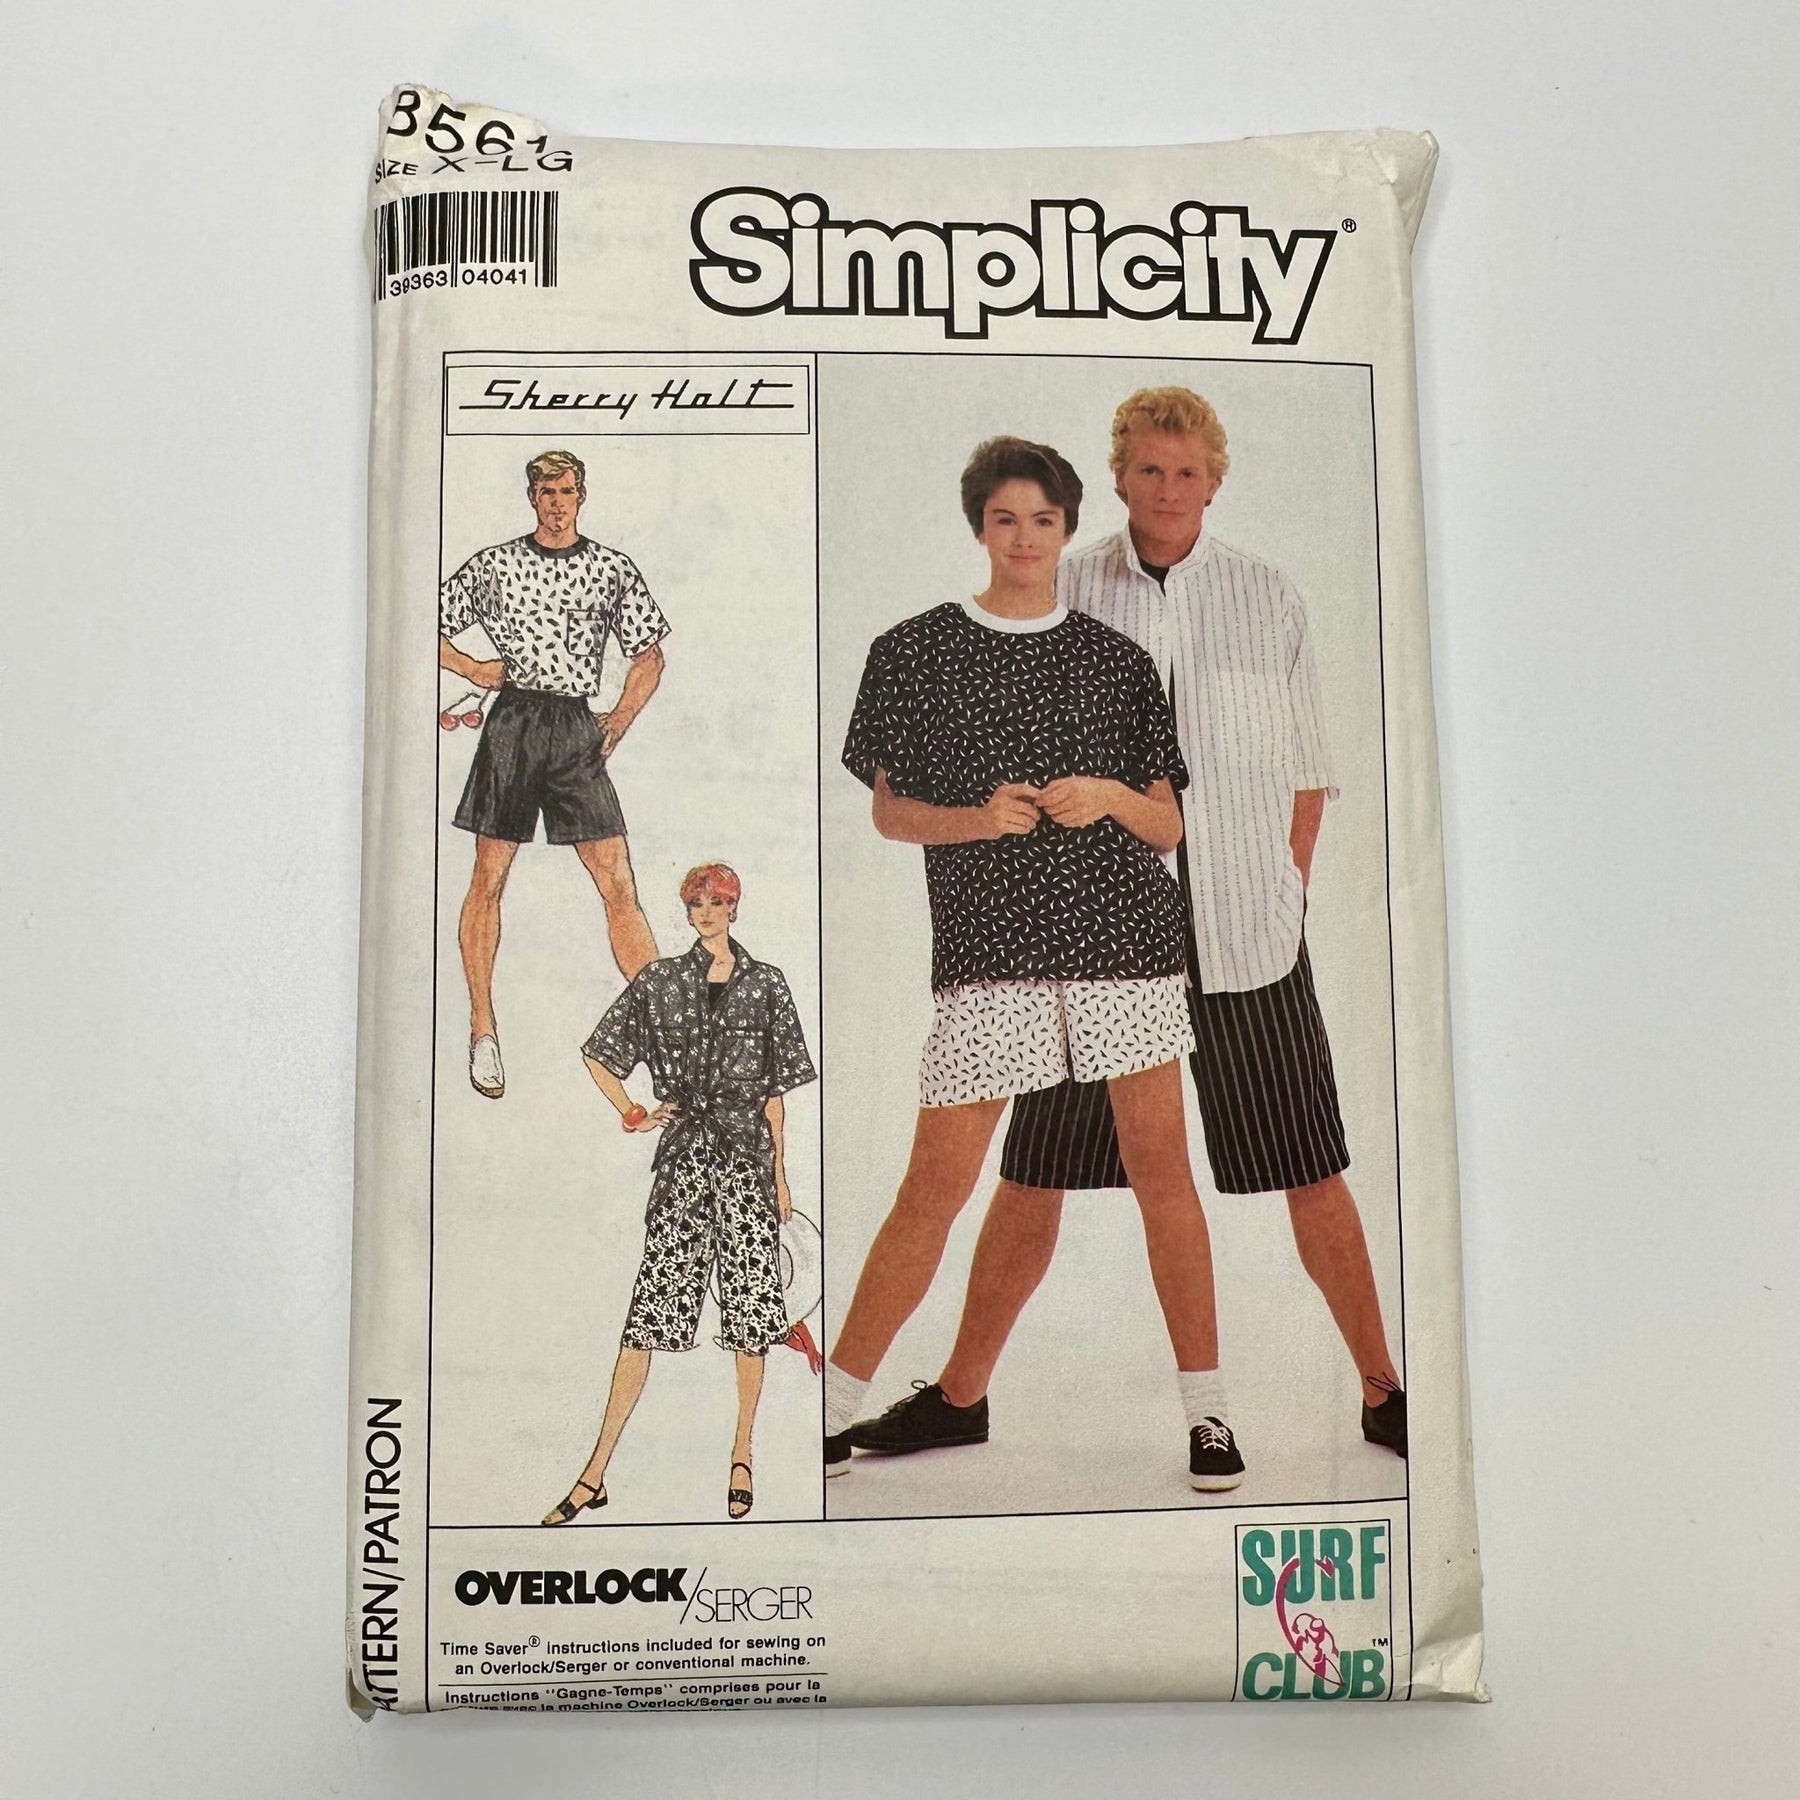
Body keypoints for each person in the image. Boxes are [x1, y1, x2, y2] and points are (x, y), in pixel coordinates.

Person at [854, 387, 1406, 1468]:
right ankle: (961, 1396)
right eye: (1148, 469)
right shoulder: (1067, 582)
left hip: (1247, 932)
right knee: (1036, 1175)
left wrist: (1288, 894)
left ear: (1215, 480)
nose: (1167, 489)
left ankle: (1382, 1387)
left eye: (1186, 472)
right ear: (1115, 477)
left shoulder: (1266, 596)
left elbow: (1309, 773)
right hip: (1091, 940)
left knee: (1310, 1164)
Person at [826, 436, 1246, 1493]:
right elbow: (888, 813)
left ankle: (1209, 1416)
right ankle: (825, 1410)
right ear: (981, 526)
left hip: (1122, 948)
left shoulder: (1115, 661)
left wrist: (1108, 797)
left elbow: (1167, 825)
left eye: (1044, 521)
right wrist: (978, 818)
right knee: (933, 1186)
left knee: (1164, 1177)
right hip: (993, 956)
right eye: (1006, 519)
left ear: (1067, 530)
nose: (1024, 539)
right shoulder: (913, 651)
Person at [543, 863, 816, 1524]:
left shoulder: (768, 984)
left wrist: (780, 1176)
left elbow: (774, 1098)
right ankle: (595, 1471)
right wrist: (633, 1112)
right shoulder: (660, 982)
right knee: (648, 1316)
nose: (707, 911)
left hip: (747, 1168)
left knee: (752, 1315)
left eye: (718, 901)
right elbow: (598, 1053)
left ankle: (742, 1454)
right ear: (687, 909)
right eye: (697, 902)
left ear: (734, 907)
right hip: (684, 1165)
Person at [439, 449, 670, 1100]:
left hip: (574, 726)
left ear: (581, 495)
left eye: (567, 491)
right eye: (547, 493)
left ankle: (666, 1033)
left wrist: (618, 720)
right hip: (512, 724)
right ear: (532, 498)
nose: (558, 503)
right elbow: (416, 622)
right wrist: (473, 668)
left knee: (619, 883)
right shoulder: (495, 565)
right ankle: (483, 1029)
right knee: (488, 879)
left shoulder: (611, 568)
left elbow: (650, 657)